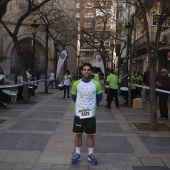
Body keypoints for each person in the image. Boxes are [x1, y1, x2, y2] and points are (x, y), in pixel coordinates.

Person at [71, 63, 103, 165]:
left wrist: (93, 105)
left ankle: (90, 155)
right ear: (81, 71)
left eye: (88, 70)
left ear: (91, 71)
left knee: (90, 135)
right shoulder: (76, 84)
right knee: (78, 134)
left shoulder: (96, 84)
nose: (86, 71)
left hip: (90, 115)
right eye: (84, 70)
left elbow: (99, 97)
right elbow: (73, 97)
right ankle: (77, 154)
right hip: (78, 114)